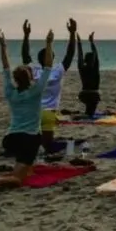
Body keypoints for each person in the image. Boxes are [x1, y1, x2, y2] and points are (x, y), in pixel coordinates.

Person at [0, 29, 54, 188]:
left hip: (10, 139)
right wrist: (48, 43)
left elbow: (5, 69)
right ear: (31, 77)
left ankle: (16, 170)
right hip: (29, 139)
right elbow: (47, 67)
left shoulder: (10, 92)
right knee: (20, 179)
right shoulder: (35, 91)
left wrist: (2, 46)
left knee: (25, 166)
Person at [21, 18, 76, 155]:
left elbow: (25, 55)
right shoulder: (57, 70)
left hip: (34, 111)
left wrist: (26, 35)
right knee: (47, 144)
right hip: (48, 112)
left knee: (37, 141)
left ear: (39, 60)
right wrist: (72, 33)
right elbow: (70, 54)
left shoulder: (34, 70)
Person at [76, 32, 101, 117]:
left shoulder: (82, 68)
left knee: (89, 110)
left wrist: (79, 43)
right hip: (94, 95)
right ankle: (84, 114)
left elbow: (80, 56)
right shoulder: (95, 68)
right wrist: (91, 42)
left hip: (83, 95)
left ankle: (84, 113)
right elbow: (96, 55)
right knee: (90, 114)